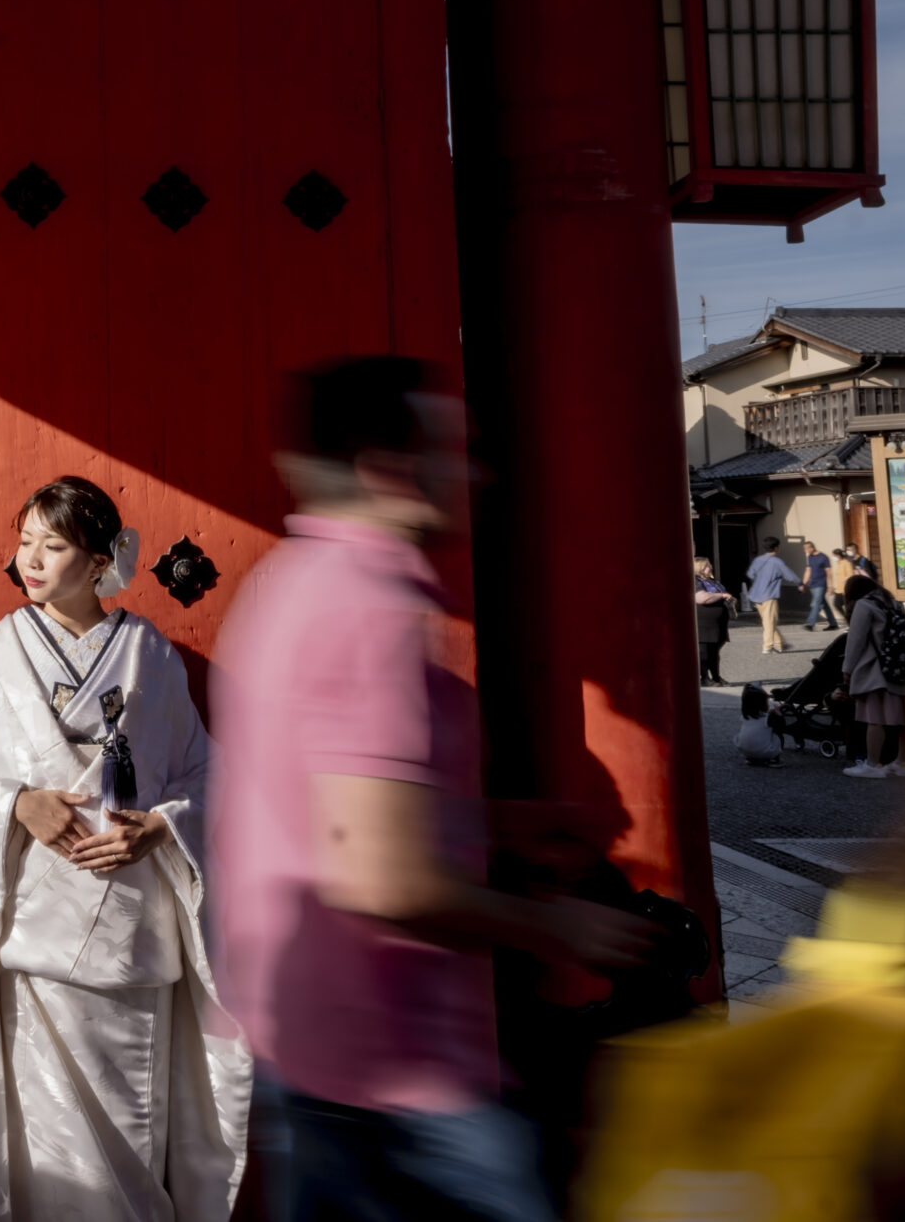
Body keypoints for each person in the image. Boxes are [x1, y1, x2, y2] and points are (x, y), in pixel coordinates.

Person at [214, 358, 652, 1222]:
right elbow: (380, 878)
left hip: (312, 1043)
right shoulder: (367, 605)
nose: (478, 472)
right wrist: (560, 926)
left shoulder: (288, 581)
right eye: (459, 448)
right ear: (389, 467)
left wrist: (497, 823)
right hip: (399, 1067)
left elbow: (326, 807)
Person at [0, 477, 248, 1221]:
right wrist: (16, 803)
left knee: (126, 1141)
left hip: (128, 943)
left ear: (101, 559)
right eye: (25, 540)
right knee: (35, 1151)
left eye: (55, 543)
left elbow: (210, 773)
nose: (32, 558)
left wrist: (163, 825)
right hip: (30, 940)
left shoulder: (152, 657)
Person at [836, 573, 905, 779]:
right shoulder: (894, 603)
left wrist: (847, 669)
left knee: (875, 718)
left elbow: (855, 641)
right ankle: (901, 763)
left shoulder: (864, 605)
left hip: (879, 671)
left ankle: (872, 764)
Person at [744, 537, 800, 653]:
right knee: (769, 622)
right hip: (769, 595)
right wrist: (800, 583)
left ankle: (780, 644)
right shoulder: (777, 562)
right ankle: (768, 647)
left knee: (767, 621)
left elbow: (750, 574)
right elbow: (790, 575)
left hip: (756, 594)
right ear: (776, 548)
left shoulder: (758, 560)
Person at [691, 558, 734, 686]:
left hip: (718, 624)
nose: (711, 567)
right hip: (704, 623)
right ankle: (704, 678)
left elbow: (725, 594)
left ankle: (716, 677)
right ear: (699, 568)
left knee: (714, 652)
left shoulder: (713, 582)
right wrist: (721, 596)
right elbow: (702, 598)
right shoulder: (695, 582)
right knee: (704, 652)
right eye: (707, 566)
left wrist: (730, 599)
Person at [734, 685, 783, 767]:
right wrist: (778, 714)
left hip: (745, 751)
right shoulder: (767, 718)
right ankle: (774, 758)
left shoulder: (745, 716)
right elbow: (781, 726)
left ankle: (751, 757)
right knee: (777, 733)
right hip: (765, 752)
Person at [801, 540, 836, 630]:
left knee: (816, 603)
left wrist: (830, 585)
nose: (805, 551)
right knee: (823, 604)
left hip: (821, 584)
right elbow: (808, 571)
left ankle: (810, 624)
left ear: (811, 548)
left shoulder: (823, 557)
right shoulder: (810, 557)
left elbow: (829, 572)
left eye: (806, 549)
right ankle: (833, 624)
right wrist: (803, 584)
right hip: (813, 584)